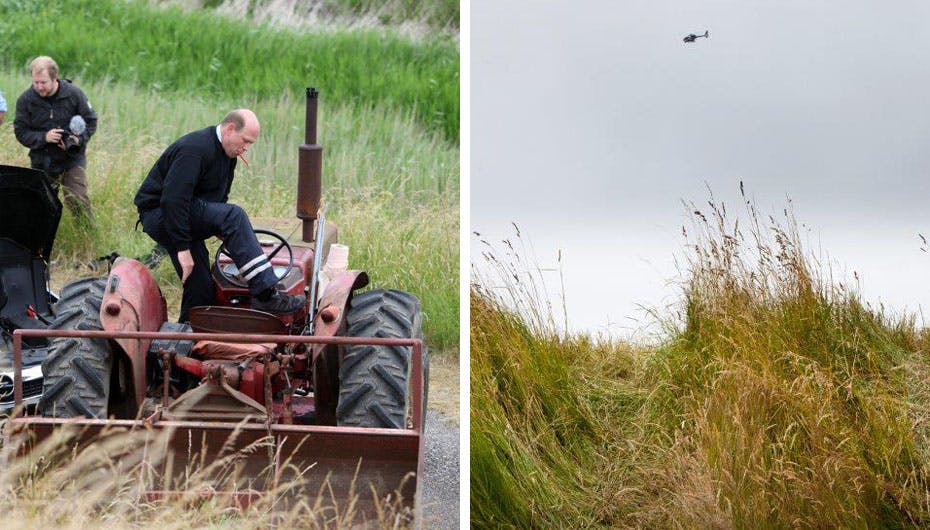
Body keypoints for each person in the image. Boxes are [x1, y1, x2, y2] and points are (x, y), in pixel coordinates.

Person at [134, 109, 306, 322]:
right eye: (245, 141)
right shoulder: (195, 148)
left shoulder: (229, 155)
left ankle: (186, 334)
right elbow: (173, 199)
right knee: (234, 215)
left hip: (185, 213)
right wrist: (183, 249)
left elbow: (216, 202)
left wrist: (239, 244)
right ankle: (265, 294)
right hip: (160, 213)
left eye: (251, 144)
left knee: (201, 286)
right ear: (230, 129)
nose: (247, 148)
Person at [13, 56, 97, 224]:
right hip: (42, 161)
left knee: (78, 200)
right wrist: (44, 137)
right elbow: (20, 132)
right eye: (35, 82)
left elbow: (91, 121)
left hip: (71, 159)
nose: (39, 87)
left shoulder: (74, 94)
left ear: (54, 78)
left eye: (43, 82)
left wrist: (78, 139)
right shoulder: (25, 100)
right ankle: (41, 246)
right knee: (42, 206)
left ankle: (88, 239)